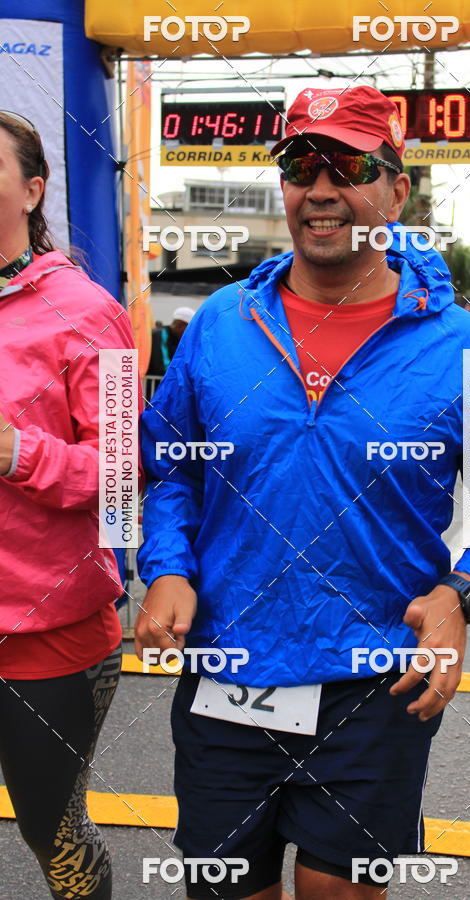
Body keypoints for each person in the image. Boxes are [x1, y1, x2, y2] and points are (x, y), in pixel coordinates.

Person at [135, 86, 470, 900]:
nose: (322, 187)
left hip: (375, 683)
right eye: (302, 163)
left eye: (349, 164)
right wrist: (165, 567)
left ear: (396, 191)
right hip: (230, 669)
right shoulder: (223, 323)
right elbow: (167, 465)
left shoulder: (459, 348)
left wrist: (461, 592)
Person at [0, 111, 140, 899]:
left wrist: (19, 453)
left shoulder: (89, 310)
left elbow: (122, 479)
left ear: (33, 189)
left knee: (51, 833)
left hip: (45, 637)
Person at [147, 306, 195, 377]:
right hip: (152, 385)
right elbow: (162, 366)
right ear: (180, 325)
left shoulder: (177, 338)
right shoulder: (161, 334)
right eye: (189, 328)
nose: (189, 332)